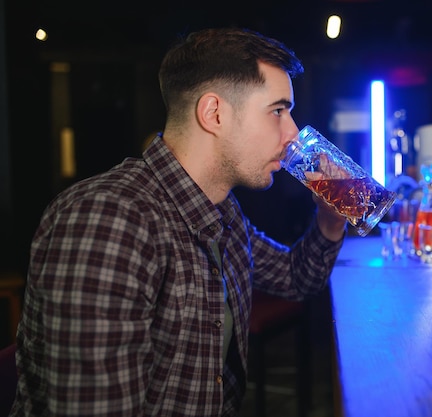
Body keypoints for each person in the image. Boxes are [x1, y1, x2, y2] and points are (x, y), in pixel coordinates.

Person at [10, 27, 347, 417]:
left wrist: (329, 219)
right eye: (278, 110)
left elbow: (295, 278)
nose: (292, 133)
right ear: (213, 113)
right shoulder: (109, 220)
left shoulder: (220, 208)